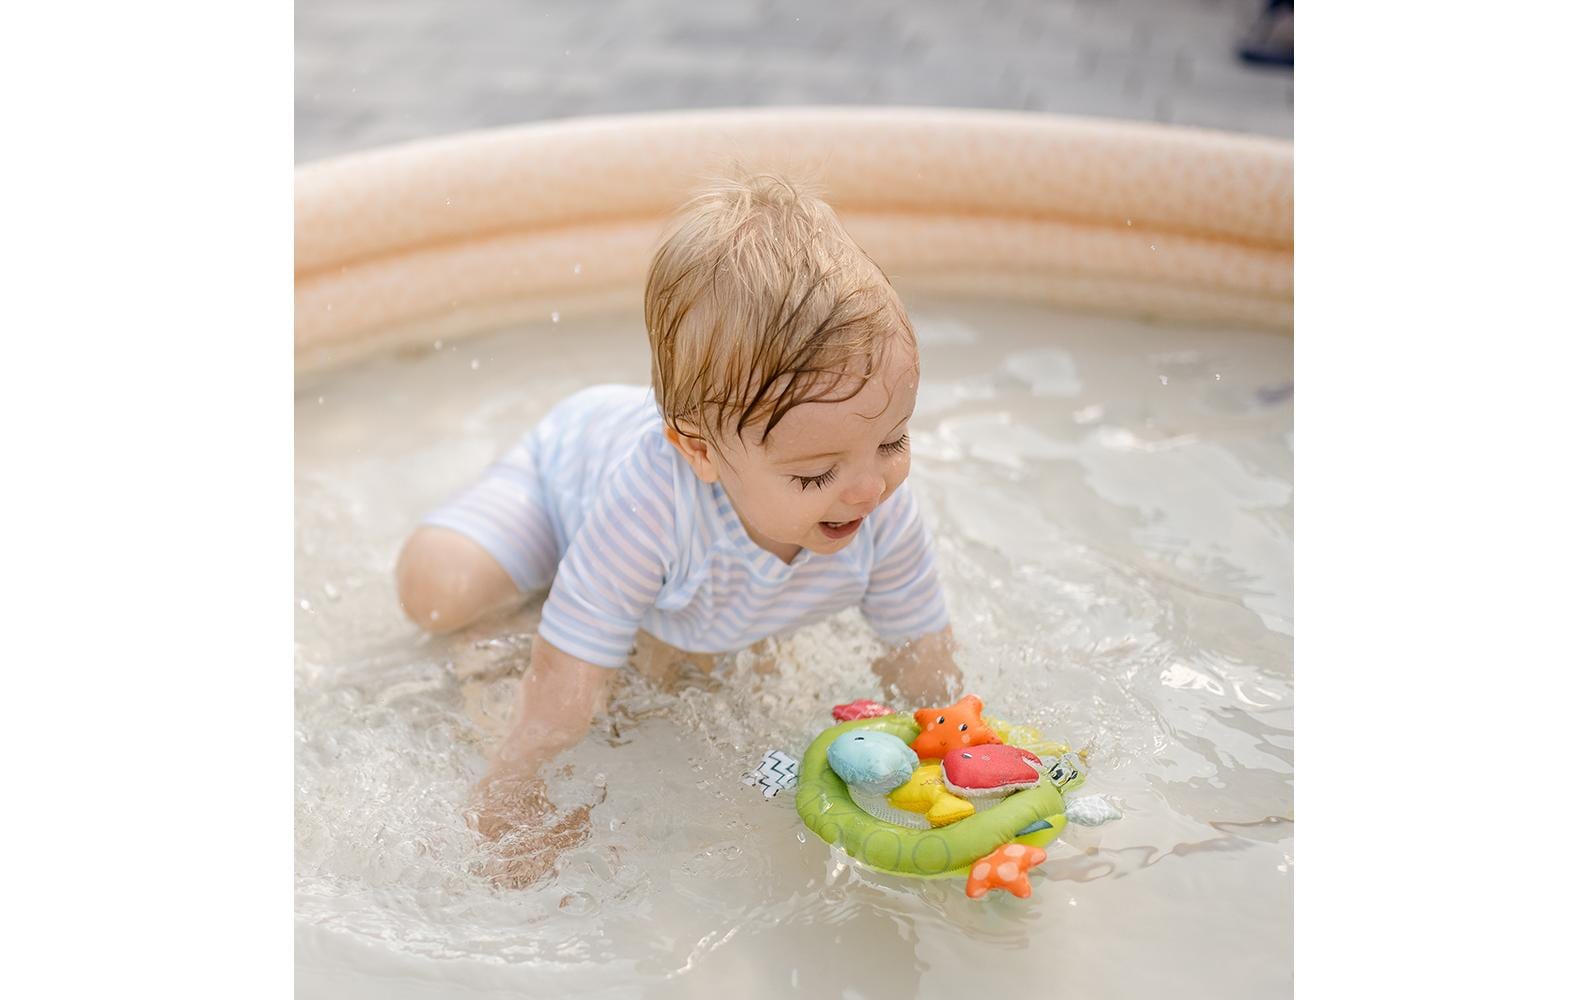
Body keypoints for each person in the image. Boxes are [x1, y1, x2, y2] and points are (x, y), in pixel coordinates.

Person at [394, 173, 962, 880]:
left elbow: (921, 653)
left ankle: (664, 619)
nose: (870, 487)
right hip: (558, 485)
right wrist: (514, 787)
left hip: (678, 560)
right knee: (440, 592)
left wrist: (961, 753)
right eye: (816, 473)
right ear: (699, 451)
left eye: (893, 441)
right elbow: (564, 675)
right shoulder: (651, 502)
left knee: (680, 664)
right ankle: (531, 592)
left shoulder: (875, 502)